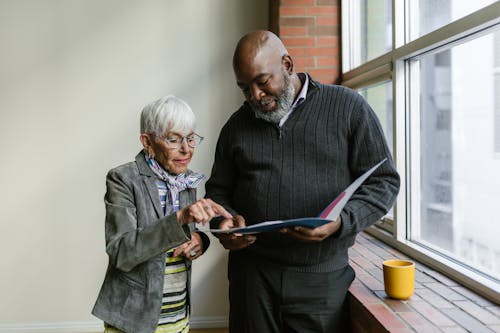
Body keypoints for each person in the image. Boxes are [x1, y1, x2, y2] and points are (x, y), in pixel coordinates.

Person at [205, 30, 400, 332]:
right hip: (252, 278)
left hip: (321, 279)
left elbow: (383, 182)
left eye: (262, 81)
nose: (255, 96)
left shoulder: (348, 108)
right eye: (245, 88)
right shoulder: (236, 126)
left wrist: (341, 222)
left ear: (287, 63)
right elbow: (217, 191)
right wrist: (223, 223)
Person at [92, 95, 232, 333]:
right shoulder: (123, 179)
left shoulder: (187, 181)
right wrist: (180, 218)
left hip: (178, 316)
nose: (186, 149)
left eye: (190, 138)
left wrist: (200, 240)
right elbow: (122, 252)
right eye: (174, 140)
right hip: (133, 322)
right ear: (147, 142)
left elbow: (189, 234)